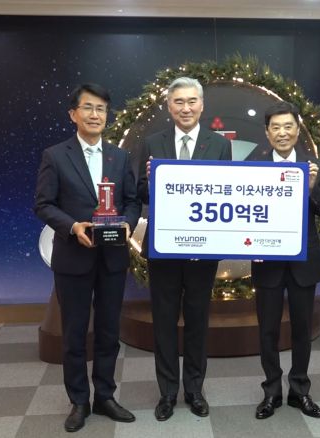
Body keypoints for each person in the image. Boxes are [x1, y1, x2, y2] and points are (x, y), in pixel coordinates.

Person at [34, 83, 141, 432]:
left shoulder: (119, 156)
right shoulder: (55, 155)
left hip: (112, 258)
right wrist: (72, 226)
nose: (95, 115)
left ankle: (105, 396)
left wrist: (127, 222)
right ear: (73, 114)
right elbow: (43, 204)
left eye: (101, 109)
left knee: (109, 331)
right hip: (73, 258)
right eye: (88, 108)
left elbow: (132, 201)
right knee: (75, 333)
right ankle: (79, 400)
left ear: (107, 115)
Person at [136, 77, 232, 421]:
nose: (186, 108)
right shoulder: (152, 143)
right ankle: (167, 392)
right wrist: (150, 182)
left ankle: (194, 389)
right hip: (163, 247)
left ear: (202, 105)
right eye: (179, 102)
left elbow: (227, 189)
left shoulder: (219, 144)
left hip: (203, 248)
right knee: (163, 321)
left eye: (192, 101)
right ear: (169, 106)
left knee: (197, 320)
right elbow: (140, 193)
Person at [248, 101, 320, 420]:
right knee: (267, 330)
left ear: (298, 130)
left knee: (302, 329)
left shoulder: (314, 166)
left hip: (302, 262)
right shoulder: (254, 165)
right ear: (267, 132)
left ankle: (299, 391)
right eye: (276, 127)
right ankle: (271, 391)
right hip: (267, 261)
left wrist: (310, 189)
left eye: (288, 126)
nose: (282, 133)